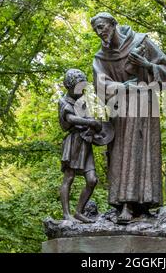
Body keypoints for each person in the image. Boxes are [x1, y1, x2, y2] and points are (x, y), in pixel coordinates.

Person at [91, 12, 166, 223]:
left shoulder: (141, 42)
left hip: (145, 106)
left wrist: (146, 65)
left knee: (144, 151)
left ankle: (144, 204)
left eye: (102, 26)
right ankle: (124, 204)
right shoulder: (101, 57)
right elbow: (99, 85)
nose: (100, 32)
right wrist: (121, 87)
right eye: (96, 29)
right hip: (121, 109)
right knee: (122, 153)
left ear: (113, 24)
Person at [58, 69, 102, 223]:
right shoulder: (64, 102)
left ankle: (78, 212)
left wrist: (95, 126)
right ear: (70, 86)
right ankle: (66, 214)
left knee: (92, 180)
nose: (81, 90)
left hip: (86, 142)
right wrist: (90, 122)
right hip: (73, 142)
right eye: (78, 86)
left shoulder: (82, 101)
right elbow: (71, 119)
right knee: (69, 177)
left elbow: (88, 117)